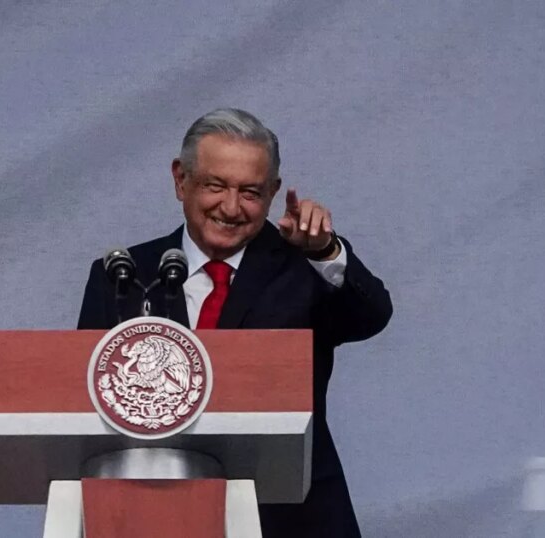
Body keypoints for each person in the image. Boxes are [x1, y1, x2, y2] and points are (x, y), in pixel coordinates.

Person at [77, 108, 392, 537]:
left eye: (250, 192)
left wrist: (325, 253)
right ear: (180, 180)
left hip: (290, 516)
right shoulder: (124, 275)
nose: (230, 207)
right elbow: (85, 406)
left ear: (273, 192)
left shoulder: (304, 266)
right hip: (153, 515)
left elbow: (371, 317)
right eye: (214, 186)